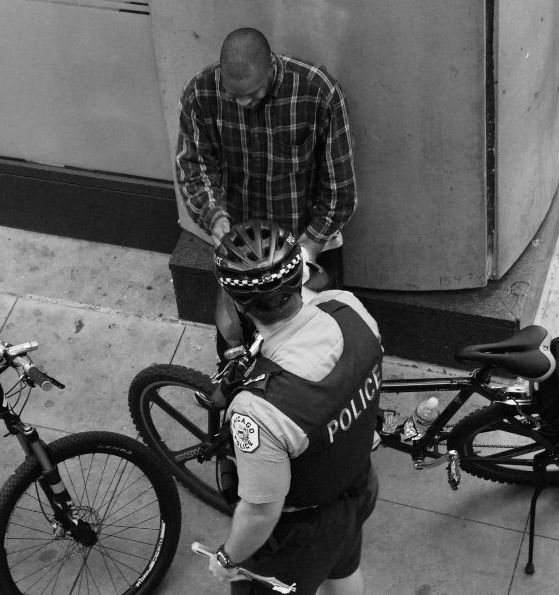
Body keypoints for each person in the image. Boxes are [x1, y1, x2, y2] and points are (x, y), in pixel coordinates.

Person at [206, 219, 381, 595]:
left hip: (300, 535)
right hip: (358, 486)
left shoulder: (259, 411)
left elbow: (259, 512)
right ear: (300, 274)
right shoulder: (352, 312)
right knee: (343, 568)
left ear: (237, 301)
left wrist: (227, 558)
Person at [175, 27, 357, 359]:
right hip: (242, 254)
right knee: (236, 350)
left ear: (272, 67)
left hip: (308, 242)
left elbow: (340, 190)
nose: (243, 102)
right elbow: (194, 168)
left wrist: (311, 246)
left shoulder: (317, 93)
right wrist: (213, 216)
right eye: (234, 95)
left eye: (253, 93)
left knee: (320, 350)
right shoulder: (200, 94)